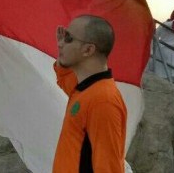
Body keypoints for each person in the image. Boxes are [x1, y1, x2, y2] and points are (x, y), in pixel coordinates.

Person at [52, 15, 127, 173]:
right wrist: (62, 50)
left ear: (88, 50)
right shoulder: (85, 88)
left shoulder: (103, 100)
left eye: (68, 38)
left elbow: (108, 168)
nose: (60, 43)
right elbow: (63, 77)